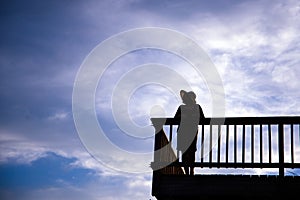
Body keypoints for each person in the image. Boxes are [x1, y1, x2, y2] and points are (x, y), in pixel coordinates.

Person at [174, 90, 205, 175]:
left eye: (191, 96)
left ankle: (191, 170)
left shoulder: (197, 107)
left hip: (192, 131)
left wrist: (194, 116)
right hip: (182, 131)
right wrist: (182, 116)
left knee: (191, 151)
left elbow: (203, 119)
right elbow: (175, 119)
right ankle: (186, 171)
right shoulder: (181, 107)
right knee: (184, 151)